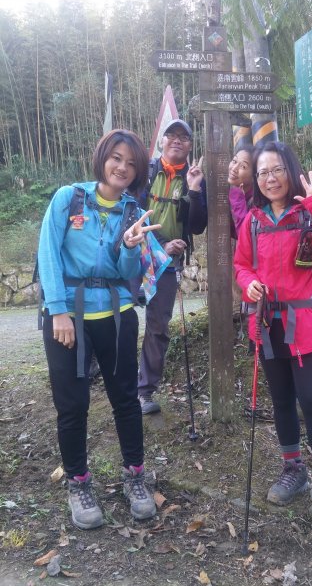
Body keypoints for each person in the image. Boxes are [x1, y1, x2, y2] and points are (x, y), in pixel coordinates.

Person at [38, 129, 164, 530]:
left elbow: (128, 274)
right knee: (72, 404)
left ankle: (135, 477)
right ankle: (78, 482)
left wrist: (129, 247)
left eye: (131, 163)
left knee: (126, 399)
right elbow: (48, 253)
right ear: (102, 158)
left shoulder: (133, 213)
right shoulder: (69, 198)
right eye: (116, 158)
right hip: (68, 316)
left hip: (116, 314)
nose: (122, 167)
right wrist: (57, 311)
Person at [234, 141, 312, 537]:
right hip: (267, 324)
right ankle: (293, 470)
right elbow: (242, 265)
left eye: (277, 170)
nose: (270, 178)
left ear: (291, 171)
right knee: (282, 401)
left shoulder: (310, 213)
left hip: (307, 324)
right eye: (263, 172)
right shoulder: (252, 220)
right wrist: (249, 284)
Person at [137, 119, 207, 415]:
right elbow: (129, 212)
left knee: (157, 326)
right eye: (172, 135)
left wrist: (194, 191)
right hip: (135, 254)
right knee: (117, 317)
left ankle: (144, 391)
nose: (177, 140)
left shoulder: (195, 177)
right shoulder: (146, 171)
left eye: (184, 137)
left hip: (168, 263)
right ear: (162, 141)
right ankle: (108, 379)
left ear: (190, 145)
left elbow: (197, 226)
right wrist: (156, 248)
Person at [228, 144, 255, 239]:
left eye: (243, 166)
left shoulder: (258, 202)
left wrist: (238, 199)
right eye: (234, 161)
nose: (234, 168)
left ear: (254, 176)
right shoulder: (230, 191)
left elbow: (246, 238)